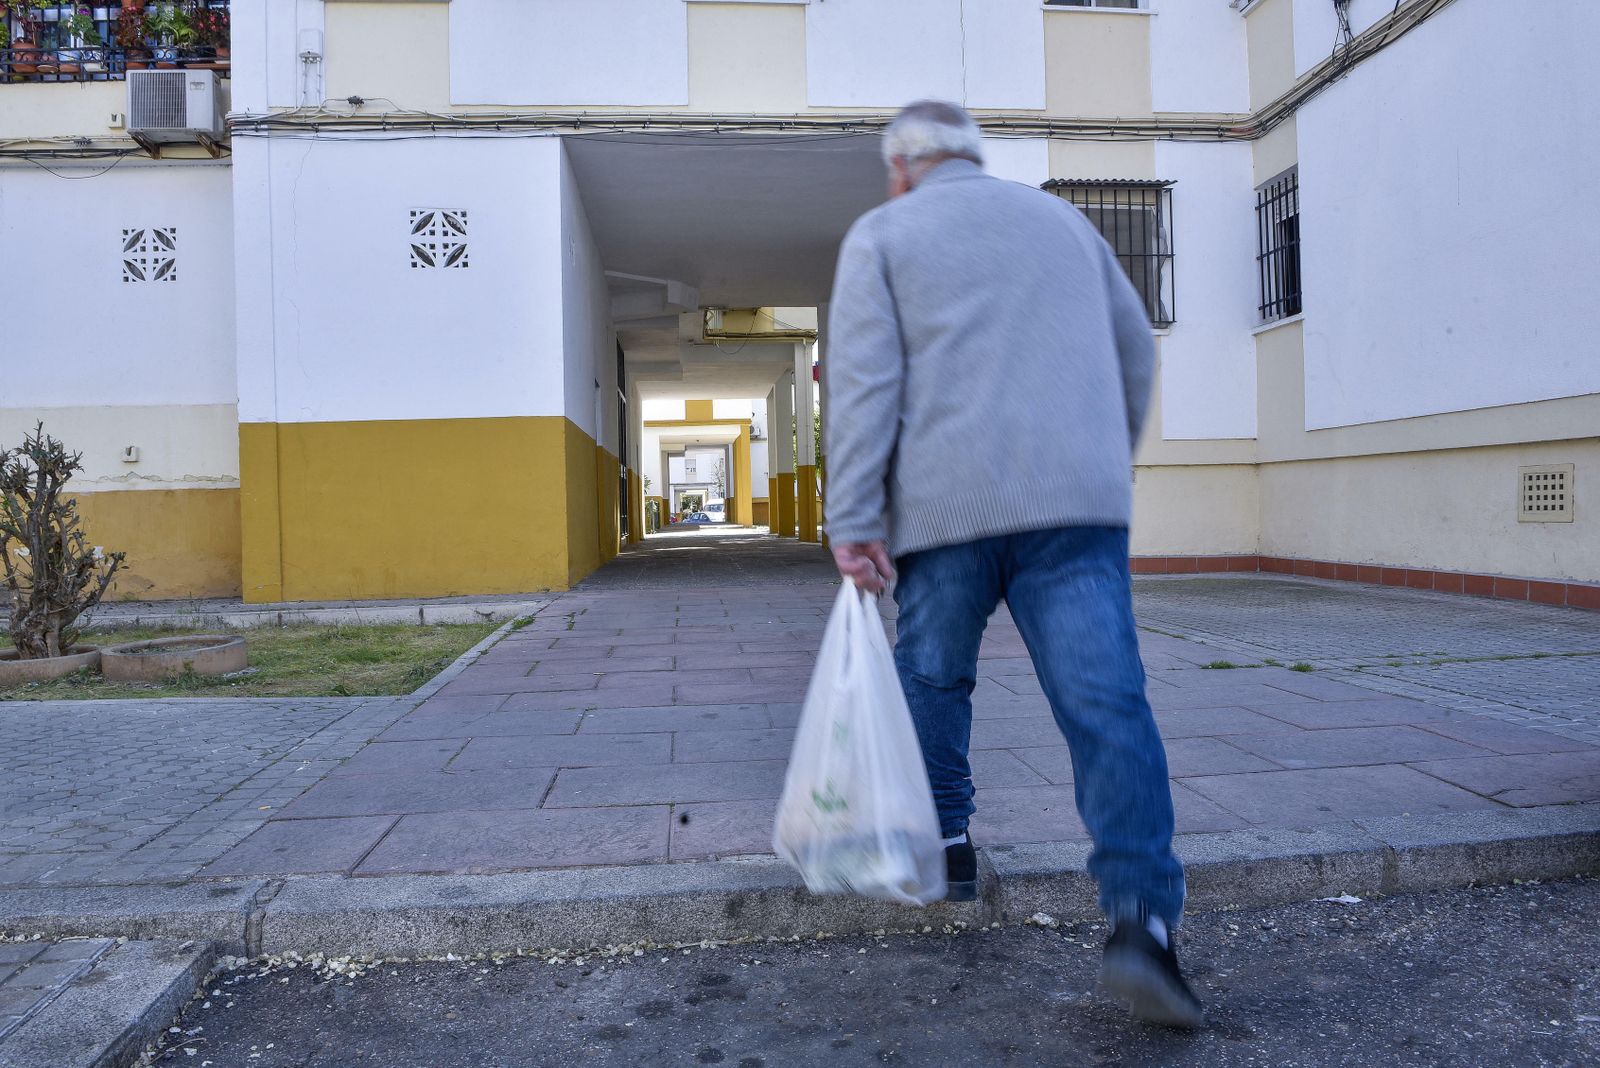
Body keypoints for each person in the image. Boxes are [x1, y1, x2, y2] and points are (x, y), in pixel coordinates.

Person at [824, 100, 1201, 1028]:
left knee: (933, 673)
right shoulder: (1065, 221)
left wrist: (856, 519)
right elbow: (1133, 350)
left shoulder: (883, 234)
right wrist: (1101, 457)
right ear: (970, 155)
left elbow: (868, 386)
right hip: (1074, 505)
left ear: (902, 166)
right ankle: (1142, 920)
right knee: (1104, 700)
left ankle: (947, 842)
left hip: (946, 509)